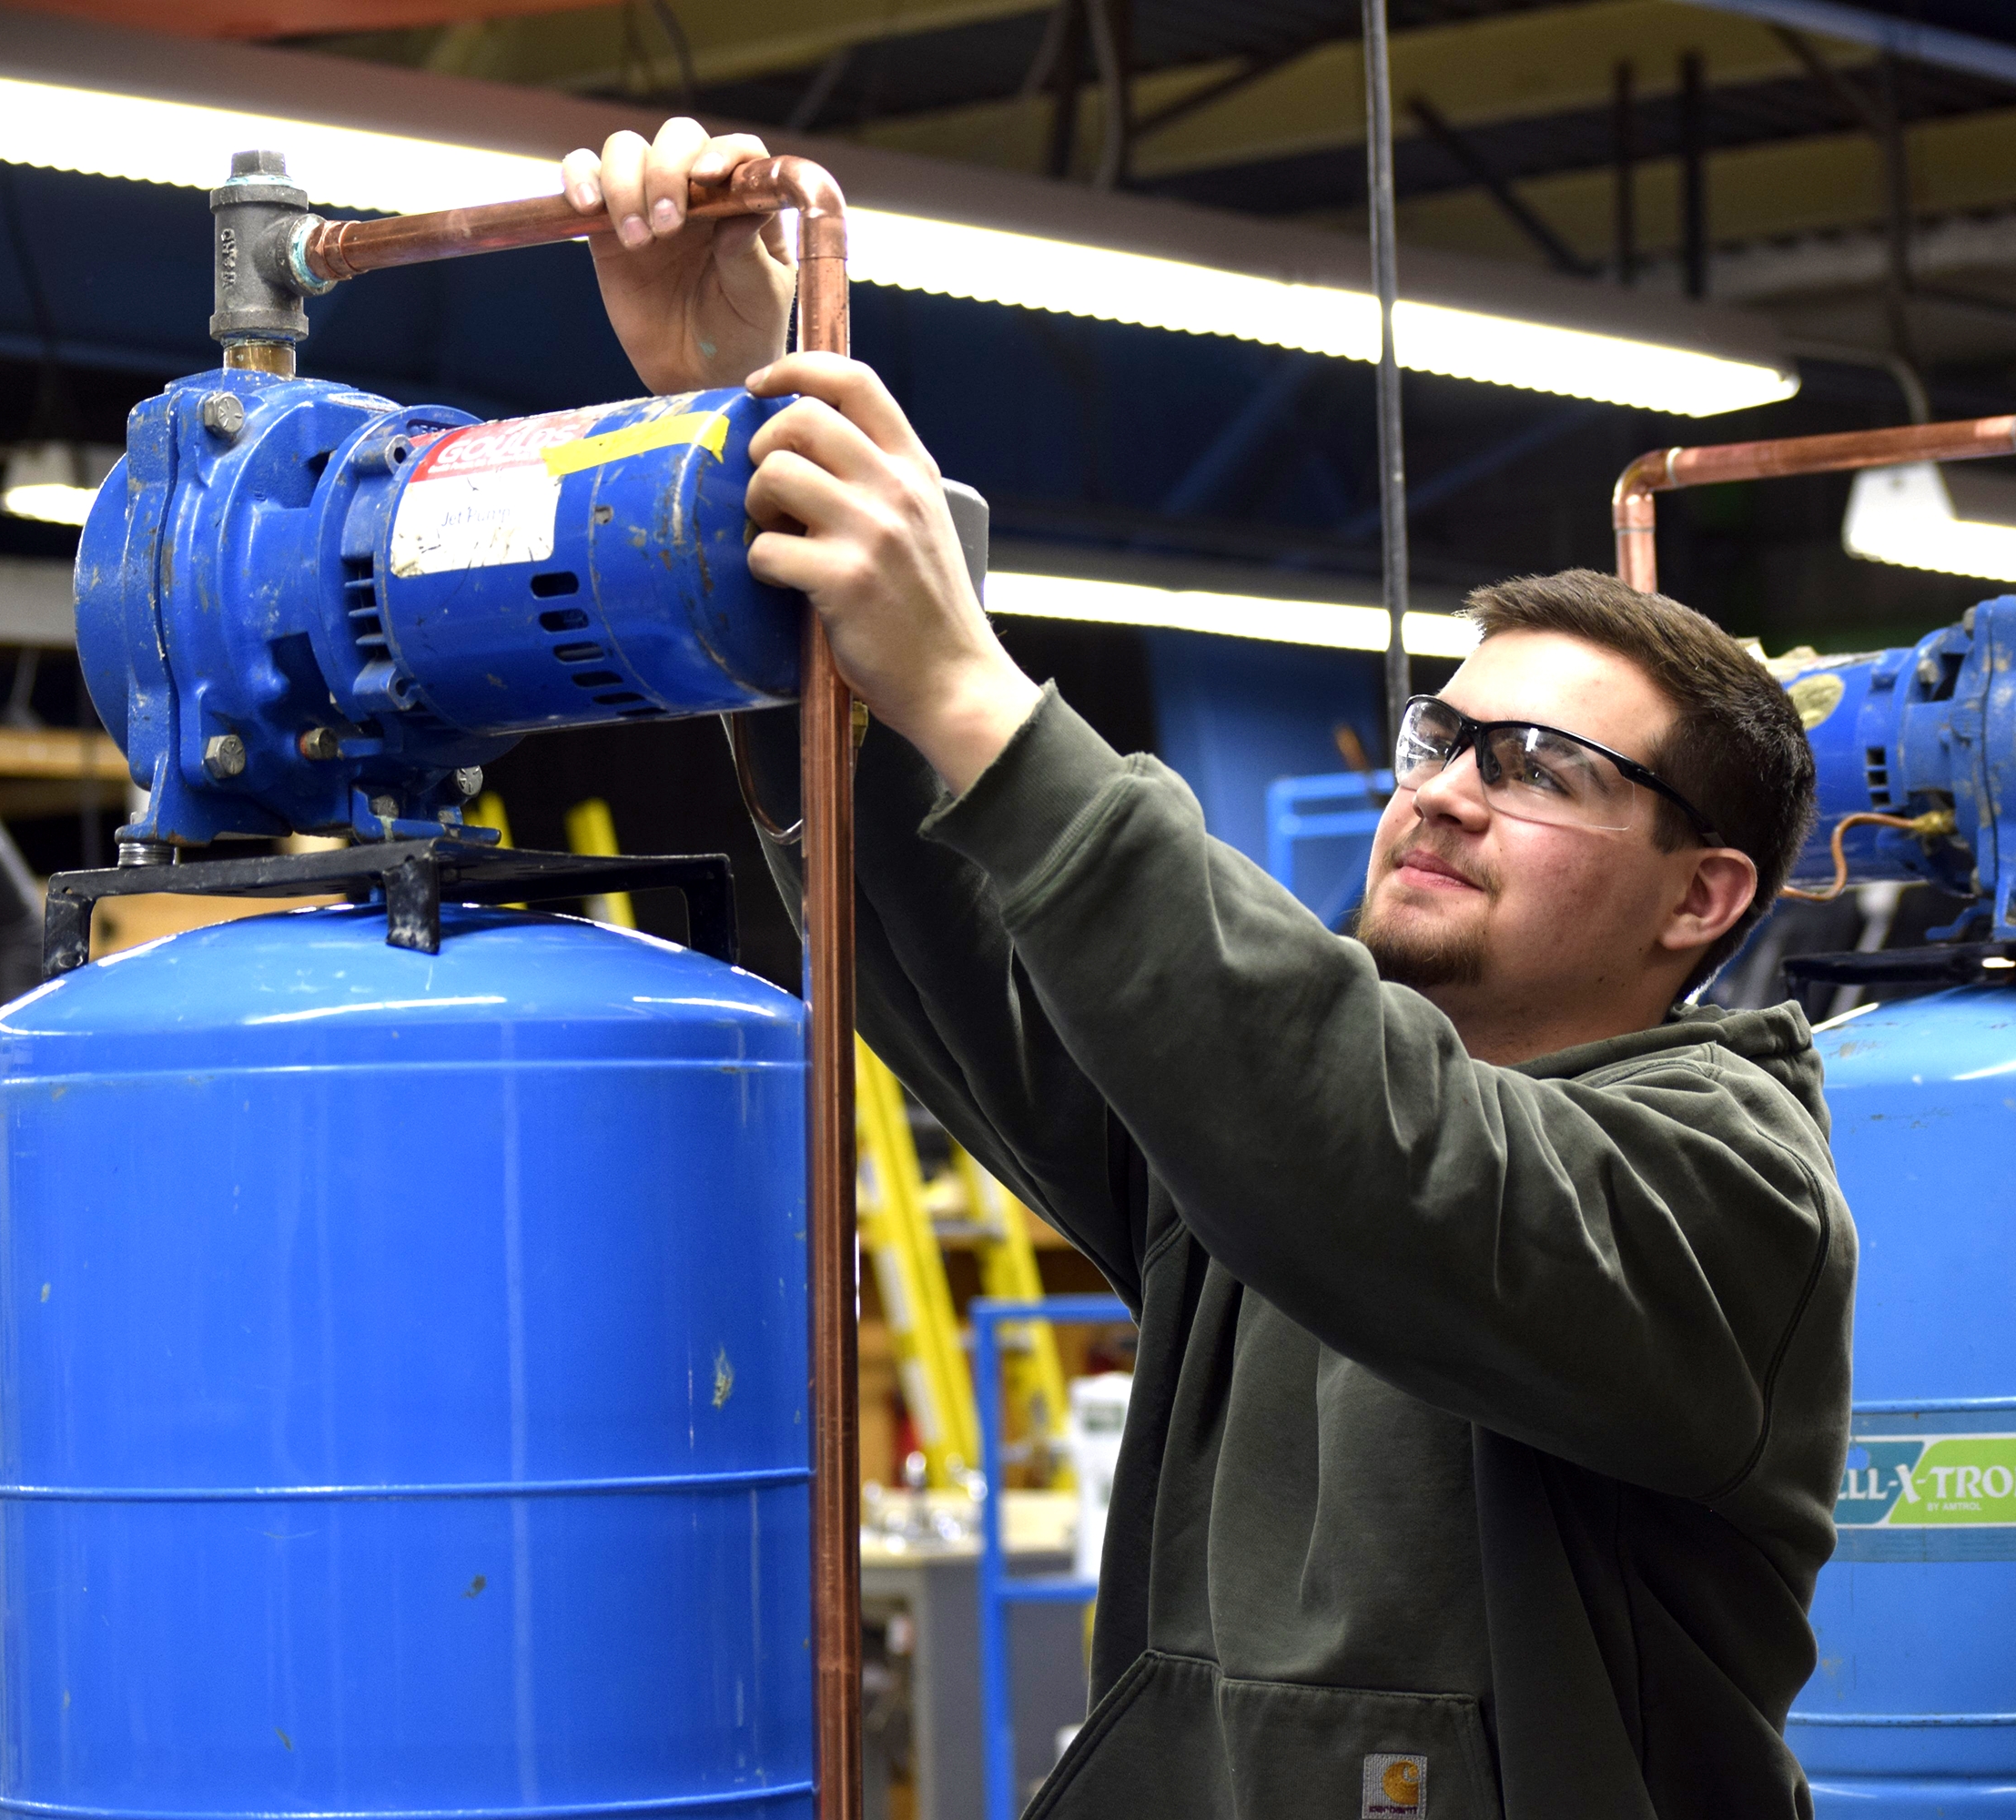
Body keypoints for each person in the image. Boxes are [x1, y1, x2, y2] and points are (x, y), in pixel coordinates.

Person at [564, 120, 1855, 1820]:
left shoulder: (1725, 1196)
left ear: (1704, 899)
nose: (1445, 792)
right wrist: (749, 434)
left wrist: (978, 692)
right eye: (1442, 736)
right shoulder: (1252, 1147)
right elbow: (977, 961)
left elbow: (1397, 1162)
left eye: (1537, 766)